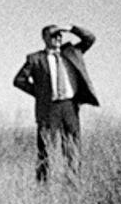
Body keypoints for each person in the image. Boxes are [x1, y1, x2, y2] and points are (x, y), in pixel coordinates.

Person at [13, 24, 99, 182]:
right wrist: (40, 94)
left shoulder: (72, 52)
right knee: (45, 149)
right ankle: (43, 186)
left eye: (60, 35)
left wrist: (72, 28)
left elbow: (90, 38)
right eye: (54, 35)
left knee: (72, 146)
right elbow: (19, 80)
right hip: (49, 107)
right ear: (45, 38)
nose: (58, 38)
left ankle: (73, 182)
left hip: (70, 106)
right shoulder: (35, 59)